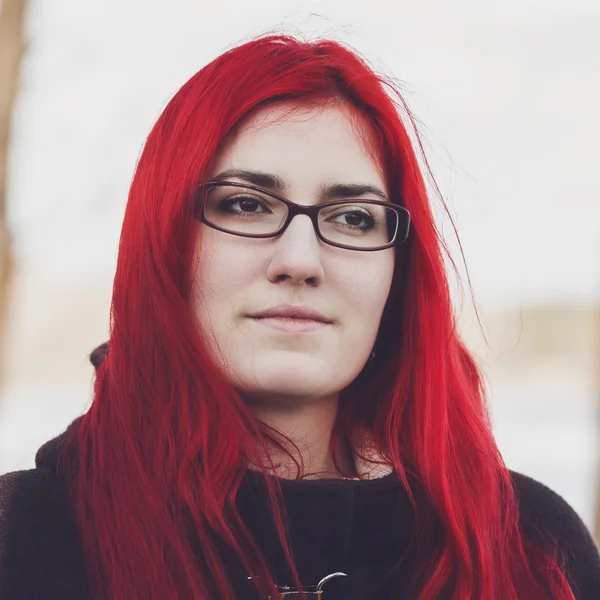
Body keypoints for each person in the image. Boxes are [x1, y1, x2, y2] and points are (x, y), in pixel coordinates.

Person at [0, 33, 599, 600]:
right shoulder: (26, 542)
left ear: (400, 270)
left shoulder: (532, 550)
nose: (300, 260)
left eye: (354, 217)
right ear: (164, 244)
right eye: (244, 204)